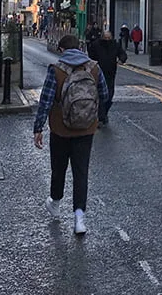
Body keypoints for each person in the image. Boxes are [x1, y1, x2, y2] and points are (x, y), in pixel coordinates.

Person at [33, 34, 108, 235]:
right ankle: (79, 219)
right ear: (79, 48)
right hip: (86, 128)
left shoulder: (56, 70)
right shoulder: (94, 68)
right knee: (81, 172)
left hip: (61, 128)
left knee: (59, 168)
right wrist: (95, 116)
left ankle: (55, 202)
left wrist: (38, 128)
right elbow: (104, 94)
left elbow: (46, 100)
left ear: (61, 50)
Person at [87, 31, 127, 125]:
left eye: (109, 38)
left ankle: (104, 114)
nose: (107, 40)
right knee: (100, 95)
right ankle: (101, 117)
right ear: (102, 38)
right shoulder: (96, 45)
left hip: (110, 74)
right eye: (106, 38)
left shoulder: (115, 45)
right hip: (98, 74)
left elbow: (123, 54)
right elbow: (91, 56)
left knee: (109, 96)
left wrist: (121, 59)